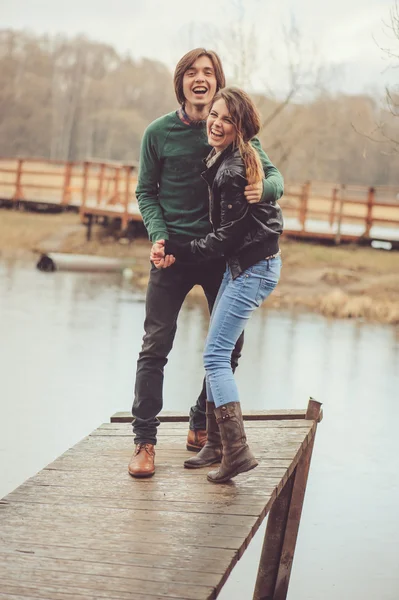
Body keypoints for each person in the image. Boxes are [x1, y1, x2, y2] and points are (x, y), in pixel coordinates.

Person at [128, 48, 284, 478]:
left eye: (209, 72)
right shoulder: (157, 133)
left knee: (227, 349)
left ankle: (202, 423)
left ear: (218, 82)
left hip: (219, 256)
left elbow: (273, 176)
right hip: (173, 253)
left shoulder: (229, 131)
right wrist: (158, 235)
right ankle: (145, 441)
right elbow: (146, 191)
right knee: (155, 347)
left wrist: (264, 191)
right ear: (180, 82)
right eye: (192, 73)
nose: (201, 79)